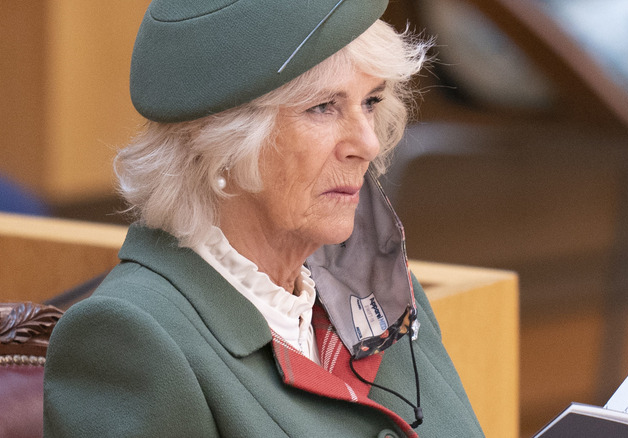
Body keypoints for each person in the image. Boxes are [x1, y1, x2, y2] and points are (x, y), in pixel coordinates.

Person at [43, 1, 484, 437]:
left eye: (370, 102)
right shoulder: (130, 340)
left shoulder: (382, 286)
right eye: (323, 107)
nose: (366, 142)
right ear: (221, 142)